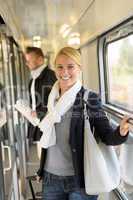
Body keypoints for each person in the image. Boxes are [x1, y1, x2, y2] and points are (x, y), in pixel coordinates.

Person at [36, 46, 129, 200]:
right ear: (55, 69)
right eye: (60, 67)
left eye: (70, 67)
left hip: (80, 181)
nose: (65, 72)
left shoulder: (89, 98)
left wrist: (122, 130)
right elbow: (46, 129)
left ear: (79, 69)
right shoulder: (50, 97)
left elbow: (107, 135)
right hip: (50, 178)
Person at [25, 46, 56, 156]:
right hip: (38, 123)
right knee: (41, 156)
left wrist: (39, 113)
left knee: (47, 158)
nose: (27, 64)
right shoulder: (32, 80)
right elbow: (35, 101)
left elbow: (55, 101)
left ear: (40, 59)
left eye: (29, 61)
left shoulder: (51, 76)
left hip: (49, 124)